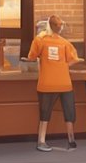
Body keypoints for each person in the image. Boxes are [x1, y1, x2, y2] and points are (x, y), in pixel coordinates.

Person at [28, 16, 80, 152]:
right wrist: (62, 65)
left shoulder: (40, 40)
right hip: (64, 83)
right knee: (69, 112)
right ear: (60, 27)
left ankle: (41, 140)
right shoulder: (65, 43)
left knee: (45, 113)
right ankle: (71, 140)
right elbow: (75, 59)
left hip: (47, 83)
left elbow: (31, 57)